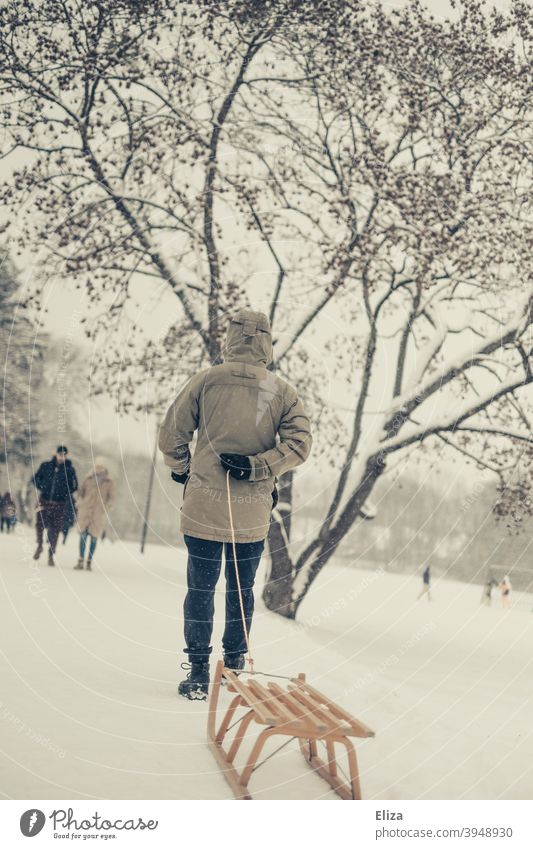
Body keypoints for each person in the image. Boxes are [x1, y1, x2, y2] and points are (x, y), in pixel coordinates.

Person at [159, 308, 312, 700]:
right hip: (252, 510)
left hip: (203, 504)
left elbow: (172, 433)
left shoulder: (206, 381)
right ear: (266, 342)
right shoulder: (281, 391)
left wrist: (182, 469)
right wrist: (259, 466)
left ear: (230, 339)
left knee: (200, 589)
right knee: (240, 591)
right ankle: (235, 667)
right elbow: (300, 444)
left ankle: (196, 672)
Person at [32, 445, 78, 566]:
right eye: (60, 454)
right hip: (44, 500)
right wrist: (42, 486)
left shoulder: (70, 470)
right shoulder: (46, 465)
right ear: (56, 454)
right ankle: (40, 545)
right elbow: (35, 478)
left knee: (55, 530)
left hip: (60, 503)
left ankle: (51, 555)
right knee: (39, 525)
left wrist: (64, 492)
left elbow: (74, 486)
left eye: (64, 455)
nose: (61, 457)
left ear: (66, 456)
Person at [74, 458, 115, 571]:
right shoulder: (88, 479)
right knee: (82, 536)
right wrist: (81, 503)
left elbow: (112, 498)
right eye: (97, 466)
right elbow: (80, 493)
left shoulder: (109, 482)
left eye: (101, 467)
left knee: (93, 538)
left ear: (104, 468)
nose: (98, 469)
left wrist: (105, 508)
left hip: (98, 514)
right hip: (85, 511)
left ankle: (89, 562)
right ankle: (80, 560)